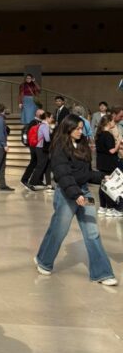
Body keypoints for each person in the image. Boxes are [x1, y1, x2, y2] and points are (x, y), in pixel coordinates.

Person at [34, 114, 117, 286]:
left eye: (82, 128)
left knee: (92, 233)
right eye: (77, 128)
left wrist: (102, 177)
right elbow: (63, 174)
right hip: (67, 194)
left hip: (84, 193)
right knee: (58, 231)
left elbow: (85, 173)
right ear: (68, 128)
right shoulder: (58, 148)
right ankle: (43, 260)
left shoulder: (82, 145)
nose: (81, 131)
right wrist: (75, 194)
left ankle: (102, 273)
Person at [95, 114, 122, 218]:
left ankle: (102, 207)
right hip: (109, 164)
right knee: (110, 187)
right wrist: (118, 144)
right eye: (112, 121)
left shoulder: (99, 134)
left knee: (102, 186)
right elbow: (112, 151)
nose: (114, 123)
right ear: (108, 122)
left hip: (101, 163)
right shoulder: (108, 135)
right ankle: (110, 208)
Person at [20, 109, 46, 191]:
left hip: (37, 146)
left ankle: (37, 180)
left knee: (36, 162)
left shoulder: (40, 122)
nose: (44, 115)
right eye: (42, 114)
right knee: (34, 163)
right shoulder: (33, 122)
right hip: (34, 146)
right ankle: (25, 179)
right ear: (37, 114)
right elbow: (32, 135)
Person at [28, 112, 53, 191]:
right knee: (40, 166)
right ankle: (31, 183)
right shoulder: (45, 126)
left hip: (40, 148)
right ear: (47, 118)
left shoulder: (41, 125)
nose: (52, 119)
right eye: (51, 117)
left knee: (47, 166)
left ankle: (49, 184)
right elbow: (47, 139)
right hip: (41, 148)